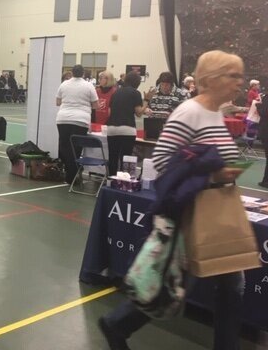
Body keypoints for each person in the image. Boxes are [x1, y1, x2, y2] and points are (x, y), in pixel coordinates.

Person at [99, 50, 246, 350]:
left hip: (215, 209)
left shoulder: (216, 113)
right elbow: (164, 161)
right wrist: (212, 174)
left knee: (229, 283)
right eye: (233, 76)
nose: (239, 83)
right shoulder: (189, 112)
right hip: (192, 212)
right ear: (212, 78)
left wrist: (226, 170)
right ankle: (117, 324)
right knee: (178, 281)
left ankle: (118, 324)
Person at [56, 64, 99, 184]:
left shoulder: (64, 84)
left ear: (72, 73)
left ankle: (68, 172)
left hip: (63, 119)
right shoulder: (89, 85)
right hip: (80, 120)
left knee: (65, 146)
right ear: (83, 73)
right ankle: (72, 176)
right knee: (76, 148)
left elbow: (58, 102)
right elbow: (96, 105)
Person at [105, 71, 150, 176]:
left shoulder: (116, 92)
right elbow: (139, 113)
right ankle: (124, 180)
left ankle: (111, 180)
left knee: (113, 157)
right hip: (127, 128)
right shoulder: (135, 93)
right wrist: (147, 100)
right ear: (137, 83)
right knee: (126, 158)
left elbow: (109, 112)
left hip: (112, 128)